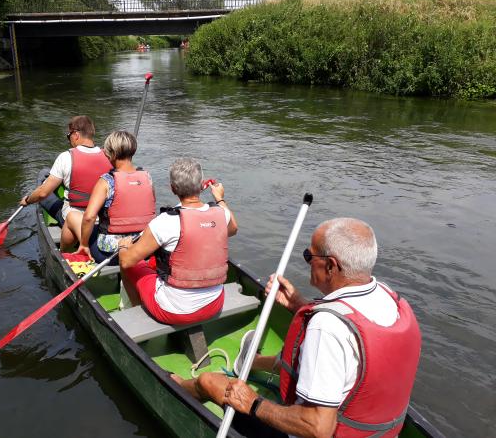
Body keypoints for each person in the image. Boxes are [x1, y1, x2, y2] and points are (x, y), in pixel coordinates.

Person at [172, 218, 421, 438]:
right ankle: (252, 361)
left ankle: (178, 386)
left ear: (331, 266)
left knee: (208, 381)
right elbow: (356, 336)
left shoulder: (328, 327)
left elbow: (317, 427)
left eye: (309, 256)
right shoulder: (391, 299)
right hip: (379, 430)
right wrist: (299, 305)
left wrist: (253, 403)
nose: (307, 262)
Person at [117, 157, 238, 325]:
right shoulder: (220, 213)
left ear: (173, 189)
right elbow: (233, 229)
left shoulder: (165, 221)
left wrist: (124, 246)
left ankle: (139, 316)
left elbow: (126, 260)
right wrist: (219, 198)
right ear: (202, 185)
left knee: (130, 266)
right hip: (214, 304)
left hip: (174, 311)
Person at [20, 115, 112, 251]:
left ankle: (64, 240)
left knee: (43, 190)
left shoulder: (66, 157)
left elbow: (43, 193)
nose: (69, 140)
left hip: (74, 216)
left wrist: (28, 200)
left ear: (75, 135)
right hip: (100, 216)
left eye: (68, 136)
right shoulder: (108, 156)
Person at [75, 130, 155, 264]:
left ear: (111, 154)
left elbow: (89, 217)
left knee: (73, 217)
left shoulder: (107, 181)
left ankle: (73, 251)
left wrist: (84, 243)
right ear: (132, 151)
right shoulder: (147, 177)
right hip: (143, 248)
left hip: (111, 254)